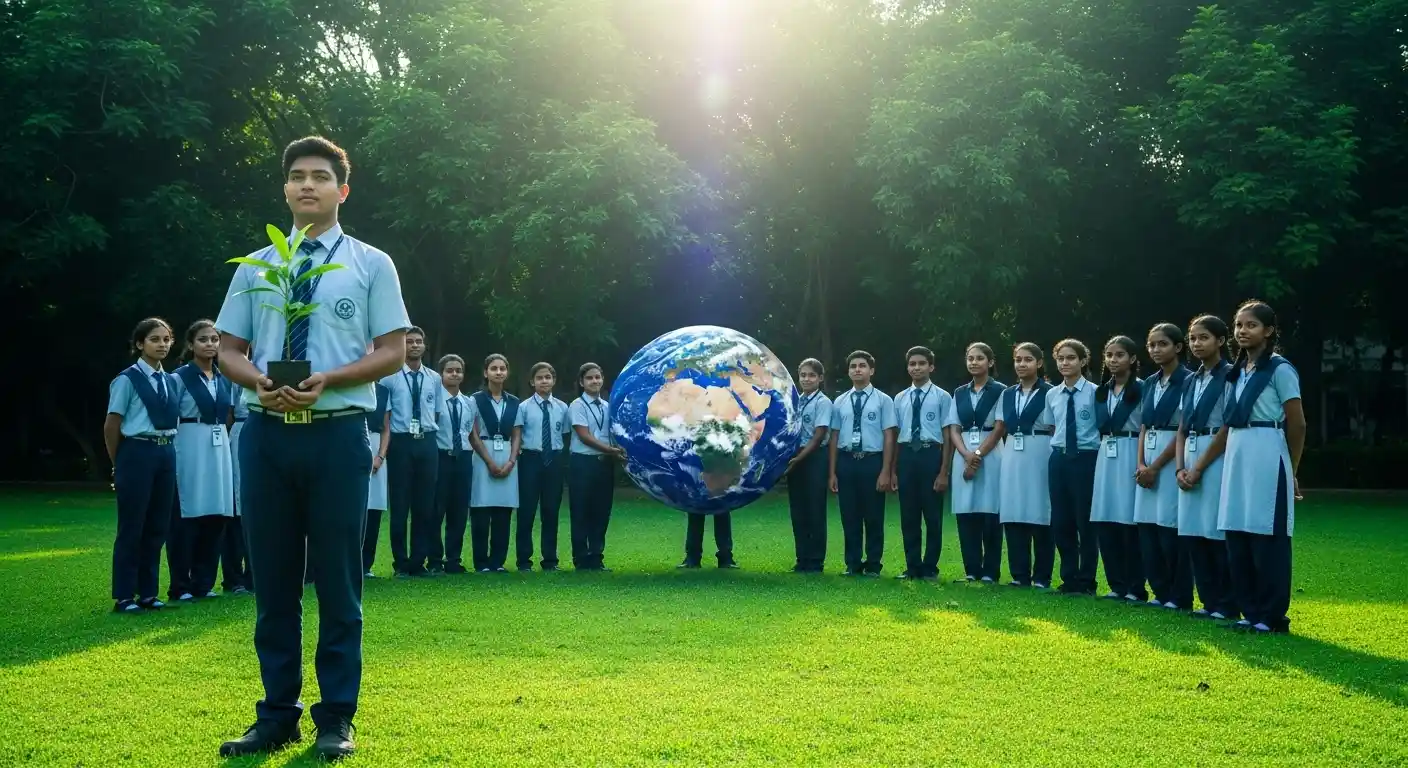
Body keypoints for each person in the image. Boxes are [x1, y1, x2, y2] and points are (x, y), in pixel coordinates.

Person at [215, 135, 410, 761]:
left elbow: (392, 350)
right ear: (284, 189)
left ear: (341, 190)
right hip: (266, 438)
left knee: (337, 583)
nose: (307, 185)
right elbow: (226, 350)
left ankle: (336, 717)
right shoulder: (255, 267)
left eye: (320, 177)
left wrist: (331, 378)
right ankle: (276, 715)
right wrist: (260, 385)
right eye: (296, 176)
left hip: (336, 438)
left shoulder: (370, 264)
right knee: (272, 585)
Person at [1218, 300, 1305, 634]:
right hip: (1238, 450)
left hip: (1268, 449)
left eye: (1251, 325)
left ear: (1268, 331)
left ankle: (1271, 615)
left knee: (1267, 536)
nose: (1243, 331)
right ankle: (1249, 610)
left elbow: (1296, 423)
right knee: (1237, 532)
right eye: (1239, 325)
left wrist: (1292, 469)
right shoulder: (1237, 370)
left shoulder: (1280, 369)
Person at [104, 317, 179, 613]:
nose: (162, 345)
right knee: (132, 526)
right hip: (137, 451)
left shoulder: (170, 380)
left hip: (166, 451)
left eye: (166, 339)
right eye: (155, 340)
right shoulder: (127, 379)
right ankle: (124, 595)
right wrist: (119, 462)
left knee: (158, 525)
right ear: (140, 344)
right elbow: (112, 424)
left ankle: (148, 592)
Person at [168, 319, 236, 601]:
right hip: (189, 439)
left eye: (214, 339)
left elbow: (229, 415)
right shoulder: (179, 377)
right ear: (191, 344)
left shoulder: (224, 378)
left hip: (218, 444)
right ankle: (180, 585)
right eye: (204, 340)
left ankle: (204, 583)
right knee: (188, 512)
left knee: (217, 513)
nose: (210, 344)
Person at [1176, 315, 1237, 620]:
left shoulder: (1230, 376)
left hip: (1215, 454)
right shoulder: (1191, 379)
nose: (1197, 344)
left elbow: (1228, 426)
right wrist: (1180, 468)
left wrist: (1198, 467)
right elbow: (1182, 426)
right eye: (1193, 338)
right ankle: (1208, 600)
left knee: (1214, 530)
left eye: (1204, 337)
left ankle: (1227, 603)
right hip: (1189, 452)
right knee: (1192, 530)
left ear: (1221, 341)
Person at [1134, 323, 1193, 610]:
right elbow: (1144, 425)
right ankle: (1159, 591)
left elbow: (1182, 428)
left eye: (1163, 344)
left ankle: (1179, 593)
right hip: (1147, 457)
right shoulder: (1148, 383)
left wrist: (1156, 466)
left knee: (1170, 527)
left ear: (1178, 347)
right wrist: (1141, 463)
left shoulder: (1189, 381)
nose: (1156, 350)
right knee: (1148, 527)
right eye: (1152, 345)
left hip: (1172, 455)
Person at [828, 350, 898, 577]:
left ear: (871, 370)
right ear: (848, 371)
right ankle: (853, 563)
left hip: (872, 461)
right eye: (853, 366)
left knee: (874, 516)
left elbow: (889, 436)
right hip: (847, 460)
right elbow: (835, 437)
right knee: (850, 515)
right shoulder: (840, 401)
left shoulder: (883, 400)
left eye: (862, 366)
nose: (857, 370)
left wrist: (886, 470)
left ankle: (874, 564)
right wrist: (833, 472)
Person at [381, 327, 444, 577]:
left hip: (427, 441)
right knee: (400, 503)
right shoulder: (390, 378)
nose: (415, 345)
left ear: (424, 346)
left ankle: (419, 561)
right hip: (401, 442)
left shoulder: (434, 378)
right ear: (403, 346)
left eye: (419, 341)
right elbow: (385, 416)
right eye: (410, 342)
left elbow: (436, 412)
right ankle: (401, 563)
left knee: (424, 504)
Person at [891, 346, 954, 579]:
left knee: (932, 515)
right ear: (908, 368)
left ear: (931, 367)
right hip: (907, 455)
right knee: (909, 515)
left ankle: (930, 566)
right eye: (912, 364)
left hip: (931, 454)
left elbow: (947, 436)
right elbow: (896, 435)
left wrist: (944, 471)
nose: (916, 368)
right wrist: (894, 470)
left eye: (921, 363)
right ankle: (913, 565)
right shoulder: (900, 398)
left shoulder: (942, 396)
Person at [1091, 336, 1146, 603]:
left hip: (1131, 449)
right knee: (1106, 517)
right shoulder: (1101, 392)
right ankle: (1116, 583)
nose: (1114, 360)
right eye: (1110, 355)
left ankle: (1136, 586)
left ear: (1133, 359)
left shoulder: (1143, 389)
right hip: (1106, 452)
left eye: (1120, 355)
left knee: (1129, 520)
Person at [996, 343, 1055, 588]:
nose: (1022, 364)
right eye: (1018, 360)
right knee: (1014, 510)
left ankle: (1041, 576)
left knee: (1041, 510)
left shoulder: (1050, 392)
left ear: (1039, 363)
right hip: (1012, 451)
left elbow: (1054, 426)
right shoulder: (1008, 394)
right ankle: (1019, 574)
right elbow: (1002, 425)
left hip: (1040, 448)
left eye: (1027, 359)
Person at [1046, 339, 1100, 595]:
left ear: (1083, 361)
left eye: (1071, 358)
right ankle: (1069, 577)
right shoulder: (1052, 394)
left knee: (1085, 520)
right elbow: (1052, 426)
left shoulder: (1095, 392)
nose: (1065, 363)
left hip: (1086, 457)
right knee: (1061, 520)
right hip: (1059, 458)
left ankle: (1087, 579)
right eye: (1061, 358)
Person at [949, 342, 1006, 582]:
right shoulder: (960, 392)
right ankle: (971, 569)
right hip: (962, 451)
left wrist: (979, 454)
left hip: (991, 453)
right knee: (966, 510)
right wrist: (965, 454)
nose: (974, 362)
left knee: (991, 511)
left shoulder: (1001, 390)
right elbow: (953, 427)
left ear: (990, 362)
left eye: (980, 358)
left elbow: (1000, 426)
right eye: (970, 358)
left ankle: (990, 571)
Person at [514, 362, 570, 571]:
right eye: (539, 378)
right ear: (532, 382)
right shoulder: (523, 407)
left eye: (548, 377)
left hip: (553, 460)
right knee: (526, 511)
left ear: (554, 380)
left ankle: (550, 559)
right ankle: (523, 560)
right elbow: (519, 435)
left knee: (551, 511)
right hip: (530, 459)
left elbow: (564, 434)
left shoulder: (562, 408)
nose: (544, 381)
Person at [569, 363, 623, 571]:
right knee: (582, 511)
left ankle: (596, 556)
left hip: (604, 465)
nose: (594, 381)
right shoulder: (577, 405)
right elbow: (584, 436)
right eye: (589, 378)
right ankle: (581, 558)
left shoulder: (607, 406)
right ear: (582, 382)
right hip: (583, 463)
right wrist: (610, 450)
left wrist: (615, 451)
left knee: (601, 512)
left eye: (598, 377)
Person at [469, 354, 519, 572]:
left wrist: (511, 460)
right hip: (483, 454)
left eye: (502, 368)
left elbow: (517, 433)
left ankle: (497, 561)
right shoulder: (475, 400)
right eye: (494, 368)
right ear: (485, 372)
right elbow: (472, 433)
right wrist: (489, 461)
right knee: (481, 509)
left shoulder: (514, 402)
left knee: (503, 511)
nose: (498, 372)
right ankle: (481, 562)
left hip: (507, 452)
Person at [425, 354, 471, 575]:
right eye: (450, 370)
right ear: (441, 373)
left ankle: (453, 558)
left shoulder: (468, 402)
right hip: (441, 457)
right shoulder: (433, 399)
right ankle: (434, 560)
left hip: (463, 459)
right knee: (436, 510)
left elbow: (470, 432)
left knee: (459, 511)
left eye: (458, 370)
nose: (455, 374)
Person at [786, 358, 832, 573]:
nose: (806, 379)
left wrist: (800, 458)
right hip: (796, 458)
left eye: (811, 375)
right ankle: (801, 558)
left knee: (815, 510)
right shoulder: (797, 400)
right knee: (798, 510)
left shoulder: (823, 402)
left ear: (820, 378)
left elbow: (819, 435)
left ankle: (815, 560)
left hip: (814, 457)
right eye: (803, 375)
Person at [222, 386, 253, 594]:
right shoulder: (232, 376)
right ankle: (234, 578)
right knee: (237, 506)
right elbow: (228, 414)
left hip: (268, 430)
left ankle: (255, 575)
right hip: (240, 433)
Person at [362, 380, 391, 578]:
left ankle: (366, 564)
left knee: (374, 507)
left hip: (376, 445)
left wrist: (380, 456)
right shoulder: (350, 385)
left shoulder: (383, 391)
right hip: (353, 443)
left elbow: (386, 427)